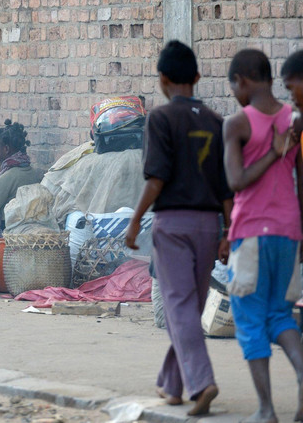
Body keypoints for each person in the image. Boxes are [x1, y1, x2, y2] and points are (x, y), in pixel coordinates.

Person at [124, 40, 231, 416]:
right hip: (208, 225)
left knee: (180, 306)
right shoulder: (217, 121)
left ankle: (202, 382)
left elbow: (155, 179)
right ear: (198, 77)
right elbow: (224, 187)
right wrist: (228, 232)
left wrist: (135, 220)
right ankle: (172, 384)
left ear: (162, 79)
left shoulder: (160, 118)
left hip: (172, 224)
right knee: (188, 306)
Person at [223, 48, 303, 423]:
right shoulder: (294, 121)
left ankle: (267, 410)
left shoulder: (237, 123)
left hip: (252, 231)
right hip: (289, 231)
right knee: (280, 315)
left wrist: (271, 154)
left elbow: (236, 181)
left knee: (251, 317)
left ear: (241, 81)